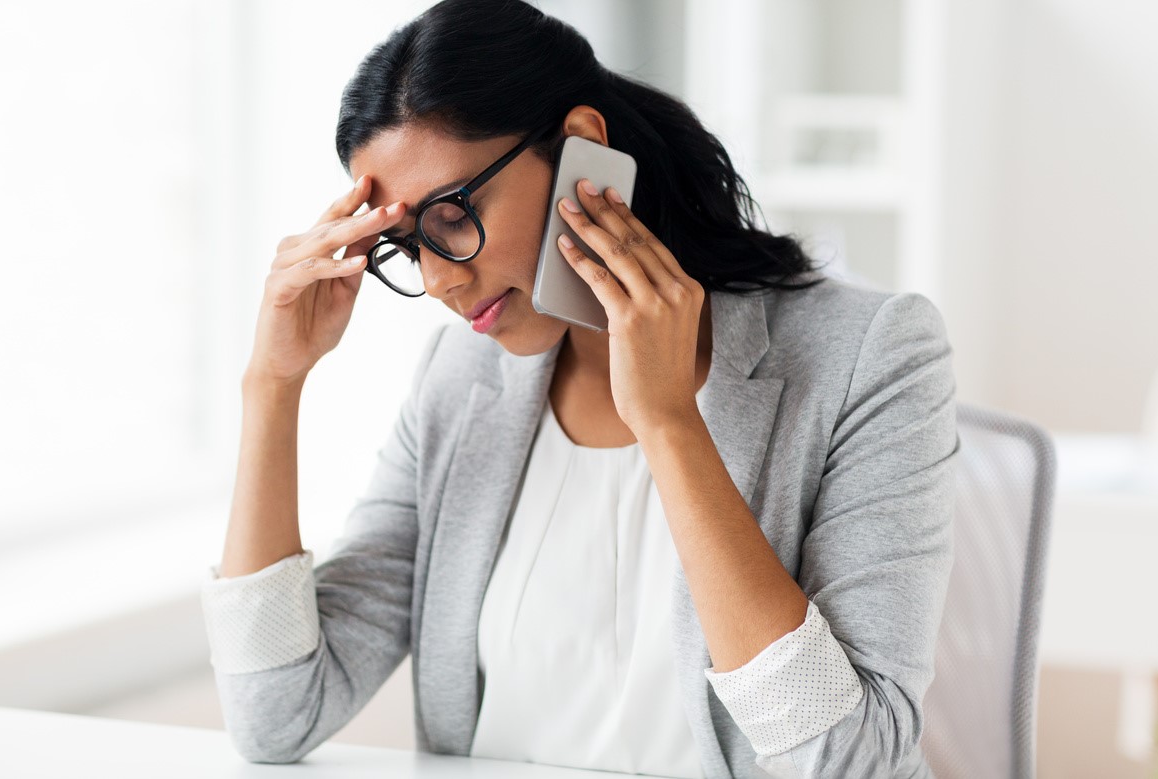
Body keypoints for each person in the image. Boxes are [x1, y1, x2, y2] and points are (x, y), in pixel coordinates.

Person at [199, 1, 958, 777]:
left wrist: (667, 424)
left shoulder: (870, 354)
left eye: (453, 215)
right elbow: (275, 716)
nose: (437, 281)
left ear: (582, 149)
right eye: (405, 245)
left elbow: (849, 761)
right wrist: (272, 386)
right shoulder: (460, 382)